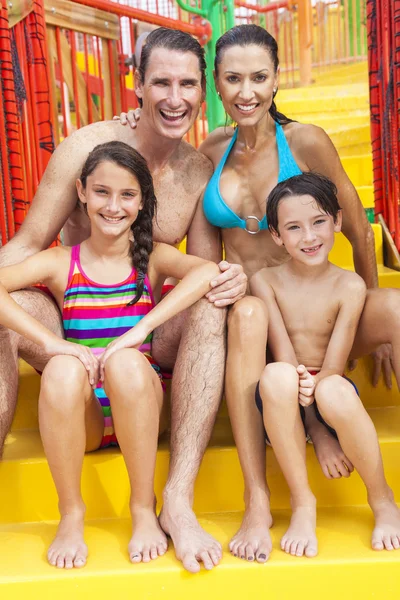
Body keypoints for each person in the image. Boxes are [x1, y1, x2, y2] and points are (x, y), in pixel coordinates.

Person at [119, 24, 400, 563]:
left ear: (276, 81)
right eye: (232, 79)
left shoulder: (305, 141)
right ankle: (257, 498)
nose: (246, 91)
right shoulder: (209, 149)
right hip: (261, 319)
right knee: (245, 312)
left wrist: (372, 311)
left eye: (258, 77)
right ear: (215, 89)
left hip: (321, 310)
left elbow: (357, 227)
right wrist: (132, 123)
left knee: (394, 310)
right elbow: (199, 250)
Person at [0, 28, 247, 574]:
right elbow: (27, 242)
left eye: (187, 84)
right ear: (138, 85)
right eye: (161, 82)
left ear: (202, 89)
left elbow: (201, 271)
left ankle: (175, 502)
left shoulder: (198, 171)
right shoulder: (87, 150)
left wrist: (230, 280)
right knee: (4, 312)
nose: (175, 98)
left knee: (215, 304)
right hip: (74, 334)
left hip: (141, 342)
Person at [252, 172, 400, 556]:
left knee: (332, 387)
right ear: (276, 235)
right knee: (277, 374)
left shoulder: (349, 286)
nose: (310, 237)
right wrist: (316, 435)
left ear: (336, 221)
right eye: (294, 227)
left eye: (319, 222)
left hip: (328, 390)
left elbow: (334, 367)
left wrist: (321, 422)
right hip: (282, 399)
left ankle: (382, 500)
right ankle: (303, 503)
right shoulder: (265, 281)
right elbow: (284, 357)